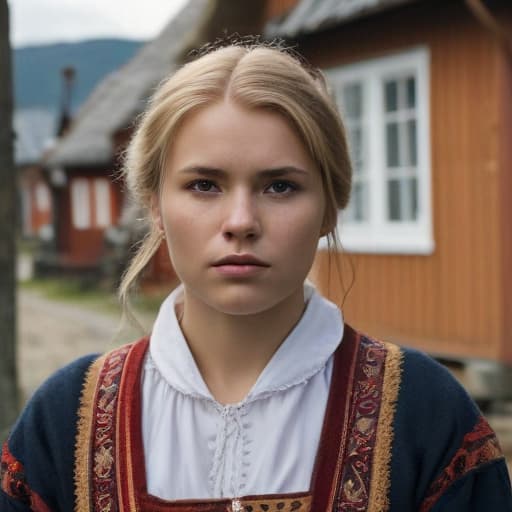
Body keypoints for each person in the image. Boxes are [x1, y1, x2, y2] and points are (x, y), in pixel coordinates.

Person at [1, 42, 511, 512]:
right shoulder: (64, 421)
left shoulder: (428, 417)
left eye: (280, 187)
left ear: (331, 206)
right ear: (155, 205)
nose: (241, 221)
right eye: (204, 184)